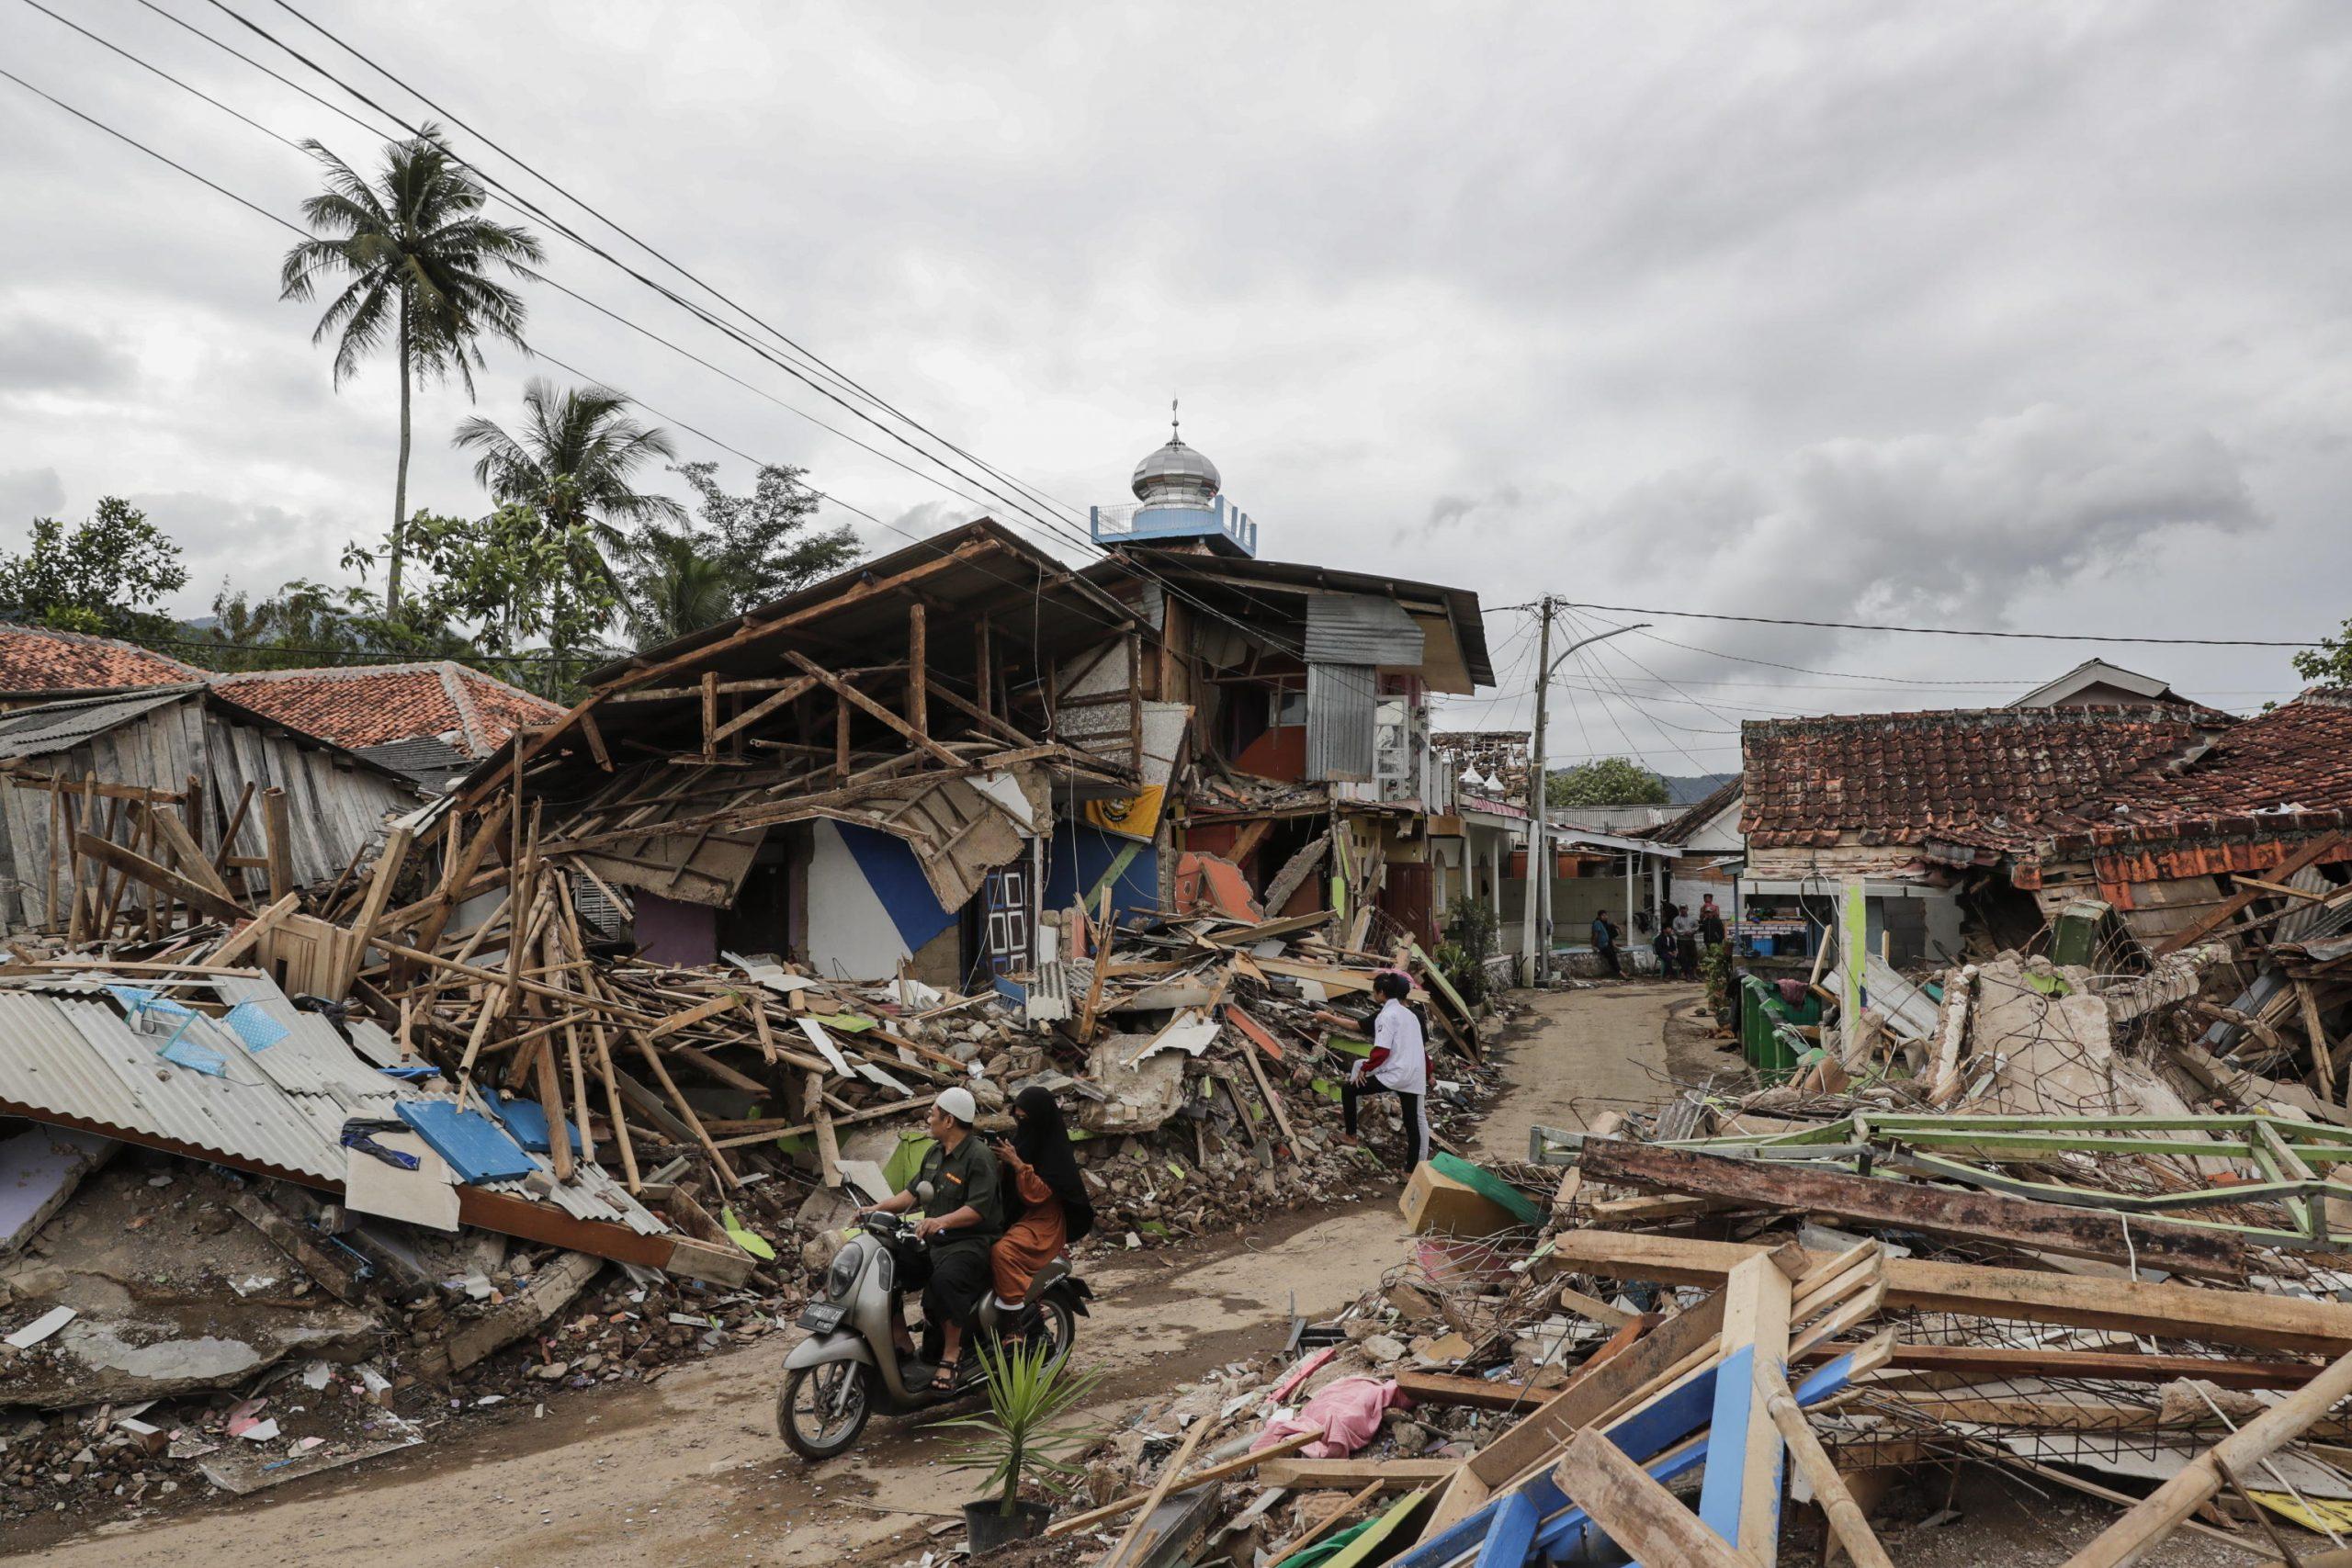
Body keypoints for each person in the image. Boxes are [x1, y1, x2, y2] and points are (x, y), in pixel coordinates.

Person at [856, 1085, 1001, 1388]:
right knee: (890, 1267)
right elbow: (913, 1192)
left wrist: (941, 1220)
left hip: (971, 1242)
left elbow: (978, 1209)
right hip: (935, 1239)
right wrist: (877, 1208)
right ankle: (901, 1340)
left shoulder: (979, 1157)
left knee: (945, 1281)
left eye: (932, 1113)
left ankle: (952, 1353)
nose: (928, 1119)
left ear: (948, 1121)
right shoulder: (934, 1153)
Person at [989, 1087, 1094, 1315]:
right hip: (1017, 1215)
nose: (1022, 1124)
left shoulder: (1055, 1151)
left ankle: (1012, 1321)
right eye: (1018, 1119)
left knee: (1002, 1252)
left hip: (1044, 1222)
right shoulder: (1021, 1141)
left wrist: (1017, 1164)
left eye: (1026, 1119)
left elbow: (1040, 1195)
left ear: (1040, 1118)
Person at [1341, 971, 1429, 1169]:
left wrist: (1366, 1067)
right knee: (1412, 1122)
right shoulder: (1412, 1016)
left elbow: (1381, 1050)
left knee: (1349, 1089)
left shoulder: (1386, 1015)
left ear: (1381, 993)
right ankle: (1411, 1171)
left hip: (1396, 1073)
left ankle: (1351, 1135)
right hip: (1415, 1074)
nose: (1373, 995)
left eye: (1374, 991)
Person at [1590, 910, 1623, 978]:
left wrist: (1618, 927)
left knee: (1613, 955)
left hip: (1607, 944)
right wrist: (1593, 946)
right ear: (1599, 917)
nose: (1605, 917)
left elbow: (1610, 928)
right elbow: (1595, 935)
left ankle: (1618, 972)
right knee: (1612, 956)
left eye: (1606, 915)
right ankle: (1620, 972)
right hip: (1602, 945)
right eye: (1603, 915)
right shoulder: (1597, 923)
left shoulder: (1604, 924)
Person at [1673, 902, 1700, 982]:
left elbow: (1697, 926)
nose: (1683, 910)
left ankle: (1694, 973)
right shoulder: (1676, 919)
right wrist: (1684, 932)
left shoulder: (1692, 919)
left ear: (1687, 909)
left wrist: (1692, 932)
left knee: (1694, 956)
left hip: (1691, 940)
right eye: (1681, 908)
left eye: (1684, 908)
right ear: (1679, 910)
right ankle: (1687, 974)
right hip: (1681, 941)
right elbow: (1675, 929)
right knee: (1683, 957)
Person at [1652, 909, 1679, 979]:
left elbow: (1673, 946)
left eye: (1670, 928)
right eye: (1669, 928)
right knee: (1668, 958)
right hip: (1662, 953)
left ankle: (1682, 973)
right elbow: (1658, 949)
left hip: (1670, 953)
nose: (1670, 930)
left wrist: (1674, 952)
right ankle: (1667, 974)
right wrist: (1668, 952)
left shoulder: (1671, 938)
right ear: (1664, 930)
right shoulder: (1659, 938)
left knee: (1681, 956)